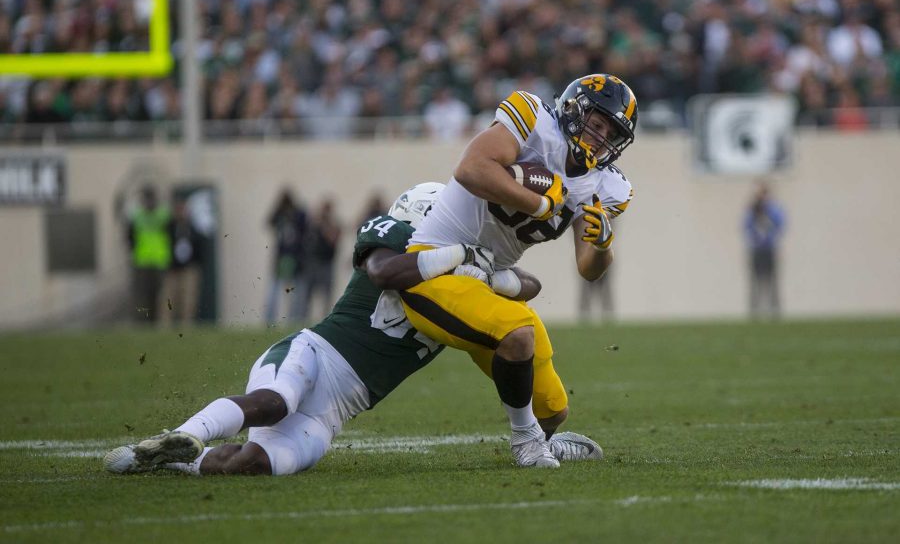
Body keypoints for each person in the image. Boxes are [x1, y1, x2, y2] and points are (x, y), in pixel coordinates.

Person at [104, 183, 601, 476]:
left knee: (253, 464)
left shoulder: (463, 274)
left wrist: (489, 271)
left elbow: (529, 288)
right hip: (313, 353)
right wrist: (459, 257)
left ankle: (172, 461)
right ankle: (183, 434)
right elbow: (387, 272)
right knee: (273, 403)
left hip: (335, 412)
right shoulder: (395, 236)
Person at [401, 74, 637, 468]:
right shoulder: (533, 120)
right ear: (575, 108)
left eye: (612, 132)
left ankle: (544, 437)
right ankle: (527, 443)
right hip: (435, 267)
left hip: (487, 282)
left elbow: (588, 270)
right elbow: (471, 169)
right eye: (598, 123)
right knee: (518, 333)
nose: (601, 137)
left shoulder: (607, 186)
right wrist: (539, 205)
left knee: (554, 409)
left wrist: (602, 245)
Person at [126, 185, 173, 323]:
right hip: (141, 261)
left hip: (159, 260)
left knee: (159, 295)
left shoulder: (164, 215)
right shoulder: (137, 215)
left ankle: (158, 322)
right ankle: (141, 321)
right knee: (142, 295)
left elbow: (171, 235)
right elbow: (129, 237)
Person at [263, 188, 308, 325]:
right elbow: (269, 222)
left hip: (296, 258)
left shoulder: (299, 214)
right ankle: (270, 320)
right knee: (276, 290)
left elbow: (305, 225)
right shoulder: (279, 214)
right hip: (281, 258)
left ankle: (293, 320)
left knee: (294, 291)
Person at [294, 197, 342, 323]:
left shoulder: (333, 224)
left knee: (326, 294)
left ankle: (325, 320)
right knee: (306, 294)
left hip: (326, 263)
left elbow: (334, 239)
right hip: (312, 263)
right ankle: (302, 320)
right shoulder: (313, 224)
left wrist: (324, 226)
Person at [160, 197, 204, 326]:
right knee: (169, 298)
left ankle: (187, 325)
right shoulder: (169, 226)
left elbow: (200, 246)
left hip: (188, 268)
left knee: (188, 299)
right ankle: (165, 325)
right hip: (172, 269)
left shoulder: (193, 227)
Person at [744, 182, 785, 318]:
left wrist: (768, 216)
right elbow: (746, 227)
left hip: (769, 249)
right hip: (757, 249)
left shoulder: (773, 209)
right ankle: (754, 312)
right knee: (756, 281)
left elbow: (781, 225)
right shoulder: (752, 209)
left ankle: (774, 311)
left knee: (772, 280)